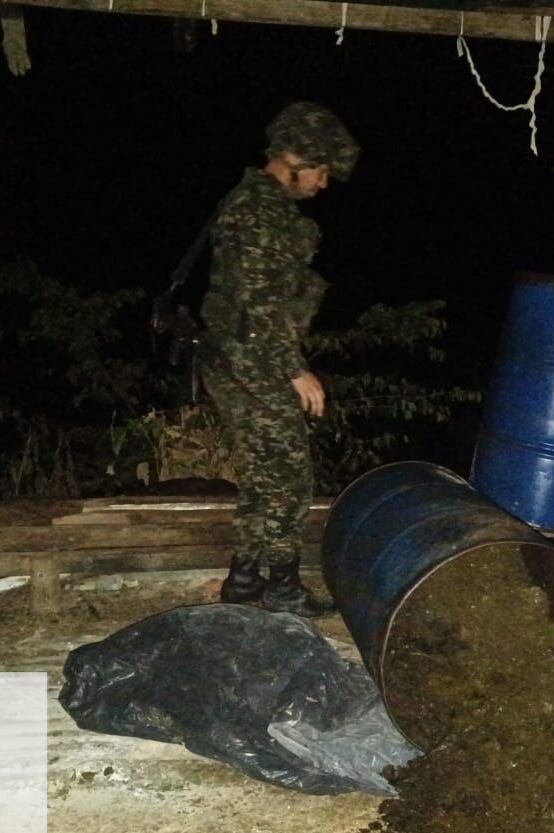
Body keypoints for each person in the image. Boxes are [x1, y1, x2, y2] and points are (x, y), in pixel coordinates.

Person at [197, 102, 359, 618]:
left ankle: (245, 582)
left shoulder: (257, 203)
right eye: (323, 171)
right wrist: (296, 368)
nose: (324, 184)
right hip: (255, 360)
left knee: (264, 476)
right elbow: (259, 299)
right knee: (289, 476)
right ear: (297, 160)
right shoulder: (260, 208)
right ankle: (283, 588)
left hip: (244, 355)